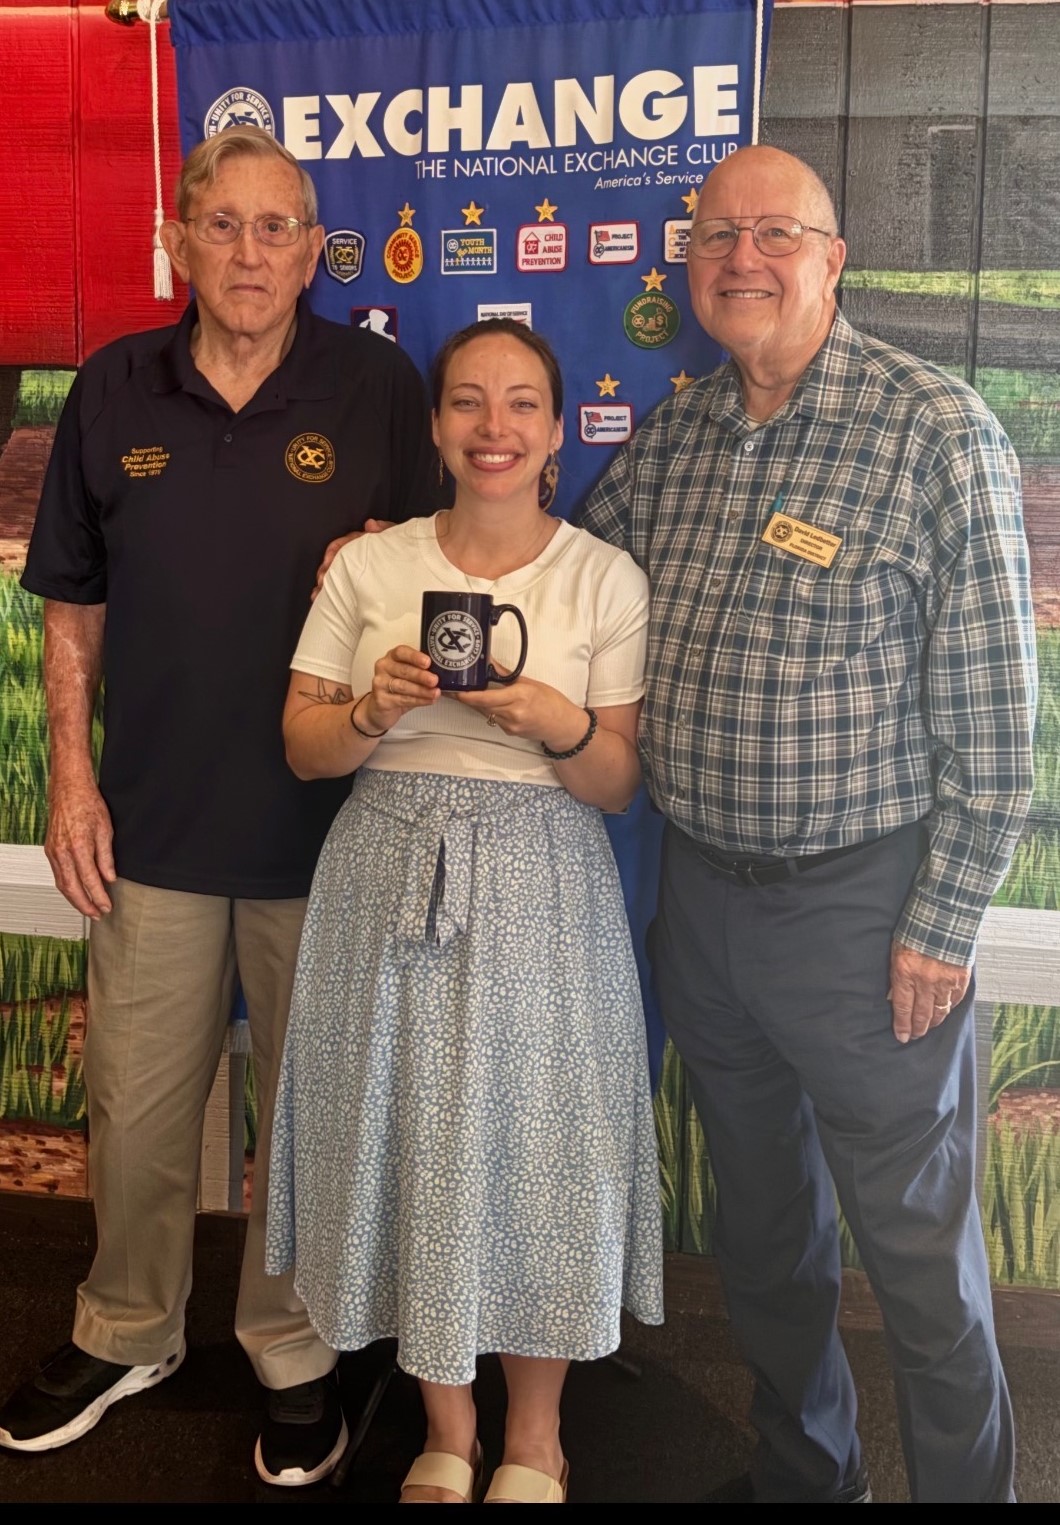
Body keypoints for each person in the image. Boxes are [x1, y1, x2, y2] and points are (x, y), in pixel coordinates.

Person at [580, 145, 1037, 1504]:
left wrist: (939, 926)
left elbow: (996, 718)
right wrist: (401, 555)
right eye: (717, 236)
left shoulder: (933, 428)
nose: (742, 259)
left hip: (865, 914)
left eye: (774, 234)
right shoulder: (674, 439)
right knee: (767, 1240)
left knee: (918, 1258)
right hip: (704, 903)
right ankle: (806, 1476)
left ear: (833, 259)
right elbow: (562, 576)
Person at [0, 124, 435, 1486]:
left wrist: (398, 561)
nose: (250, 252)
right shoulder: (113, 387)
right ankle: (127, 1325)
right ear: (176, 241)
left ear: (314, 252)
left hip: (334, 833)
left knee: (310, 1115)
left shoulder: (376, 385)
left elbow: (454, 572)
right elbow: (72, 604)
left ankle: (293, 1346)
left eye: (277, 227)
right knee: (134, 1107)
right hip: (154, 825)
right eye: (223, 224)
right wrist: (71, 775)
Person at [264, 317, 664, 1505]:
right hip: (383, 871)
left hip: (546, 882)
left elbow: (617, 782)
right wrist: (371, 710)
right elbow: (302, 748)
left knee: (543, 1144)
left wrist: (559, 724)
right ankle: (447, 1426)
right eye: (469, 403)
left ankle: (535, 1434)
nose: (495, 427)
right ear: (436, 429)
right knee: (407, 1134)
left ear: (557, 431)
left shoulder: (603, 577)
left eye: (522, 403)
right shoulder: (367, 570)